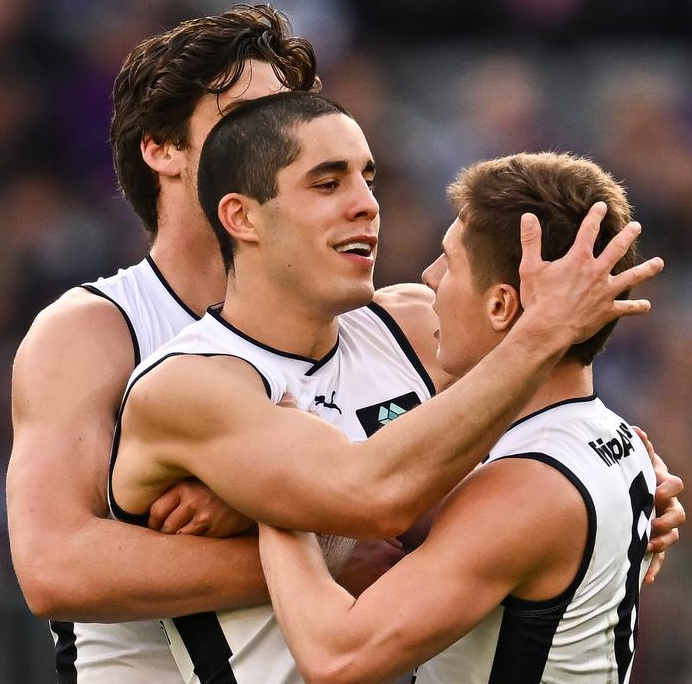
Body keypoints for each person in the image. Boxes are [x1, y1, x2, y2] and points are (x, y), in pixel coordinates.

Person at [6, 5, 682, 683]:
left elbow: (529, 436)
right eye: (250, 119)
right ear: (163, 150)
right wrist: (323, 536)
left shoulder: (397, 321)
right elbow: (53, 568)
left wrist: (625, 490)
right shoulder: (96, 331)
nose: (283, 134)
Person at [257, 152, 659, 683]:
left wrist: (273, 489)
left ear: (500, 306)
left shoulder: (530, 487)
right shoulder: (610, 436)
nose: (428, 277)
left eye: (449, 262)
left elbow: (338, 657)